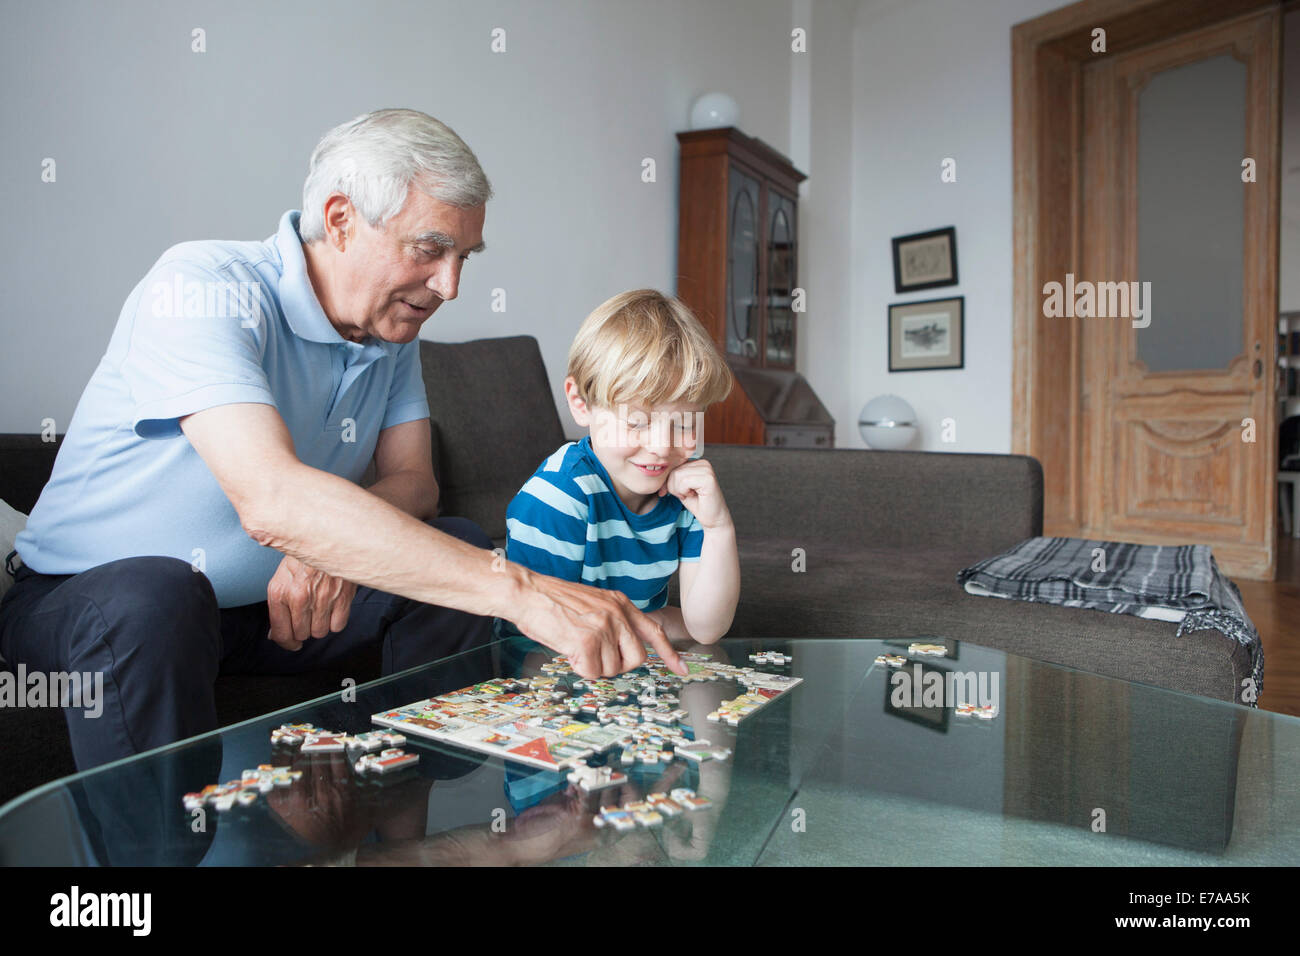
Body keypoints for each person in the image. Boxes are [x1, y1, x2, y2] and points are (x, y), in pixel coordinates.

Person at [0, 109, 679, 772]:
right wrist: (521, 590)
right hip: (86, 605)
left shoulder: (390, 336)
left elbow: (416, 482)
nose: (450, 285)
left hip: (272, 615)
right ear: (340, 219)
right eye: (430, 249)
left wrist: (340, 545)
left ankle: (388, 808)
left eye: (463, 257)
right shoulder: (202, 288)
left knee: (460, 542)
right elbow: (271, 499)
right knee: (155, 597)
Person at [498, 290, 740, 647]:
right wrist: (653, 622)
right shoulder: (558, 497)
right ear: (581, 404)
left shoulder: (684, 496)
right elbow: (539, 638)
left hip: (630, 676)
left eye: (684, 424)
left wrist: (718, 528)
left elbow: (705, 628)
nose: (661, 446)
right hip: (544, 672)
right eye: (638, 422)